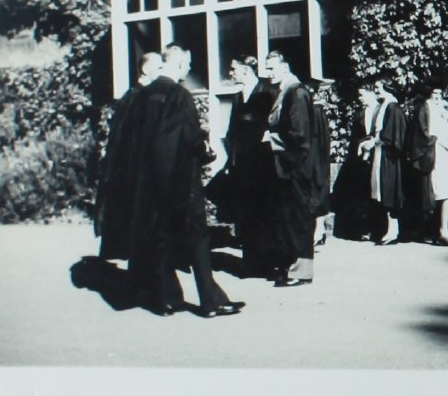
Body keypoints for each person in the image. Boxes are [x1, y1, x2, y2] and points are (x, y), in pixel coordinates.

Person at [128, 44, 244, 317]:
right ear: (178, 63)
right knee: (198, 238)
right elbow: (191, 137)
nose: (190, 68)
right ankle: (210, 301)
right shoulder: (179, 95)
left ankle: (167, 299)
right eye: (188, 63)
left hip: (152, 182)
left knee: (162, 237)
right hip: (182, 179)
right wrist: (207, 153)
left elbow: (135, 141)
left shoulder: (142, 96)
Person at [95, 52, 162, 261]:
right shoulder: (140, 98)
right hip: (133, 170)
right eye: (158, 68)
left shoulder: (131, 96)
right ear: (145, 69)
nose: (161, 73)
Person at [222, 55, 283, 278]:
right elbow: (232, 132)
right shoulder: (238, 97)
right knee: (246, 215)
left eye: (234, 69)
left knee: (266, 214)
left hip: (265, 165)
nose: (231, 73)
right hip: (244, 167)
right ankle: (252, 264)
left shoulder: (267, 92)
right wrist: (232, 160)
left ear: (246, 70)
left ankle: (271, 263)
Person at [264, 50, 317, 287]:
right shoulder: (284, 91)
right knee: (289, 218)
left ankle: (301, 272)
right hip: (285, 166)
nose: (268, 74)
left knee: (299, 218)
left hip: (296, 166)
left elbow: (300, 135)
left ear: (284, 68)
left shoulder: (296, 93)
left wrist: (272, 139)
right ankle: (292, 268)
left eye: (271, 69)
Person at [408, 84, 448, 246]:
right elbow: (426, 133)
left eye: (440, 92)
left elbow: (447, 129)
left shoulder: (442, 110)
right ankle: (440, 231)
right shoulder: (425, 108)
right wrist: (438, 142)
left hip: (444, 152)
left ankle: (442, 230)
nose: (437, 96)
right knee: (439, 190)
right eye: (434, 92)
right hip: (435, 152)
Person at [359, 75, 406, 245]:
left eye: (379, 87)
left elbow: (390, 135)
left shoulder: (392, 107)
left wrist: (373, 143)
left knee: (389, 191)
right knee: (383, 191)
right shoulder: (384, 106)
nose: (377, 90)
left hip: (389, 156)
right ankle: (389, 229)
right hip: (381, 153)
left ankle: (394, 230)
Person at [331, 81, 379, 241]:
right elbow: (354, 137)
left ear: (371, 93)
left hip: (376, 155)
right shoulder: (360, 113)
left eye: (362, 95)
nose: (360, 99)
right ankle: (362, 229)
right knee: (360, 193)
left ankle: (376, 227)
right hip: (360, 157)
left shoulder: (380, 111)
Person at [308, 79, 333, 247]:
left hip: (315, 157)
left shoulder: (315, 110)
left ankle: (319, 231)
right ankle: (318, 231)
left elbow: (321, 139)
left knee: (316, 192)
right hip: (315, 156)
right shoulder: (315, 109)